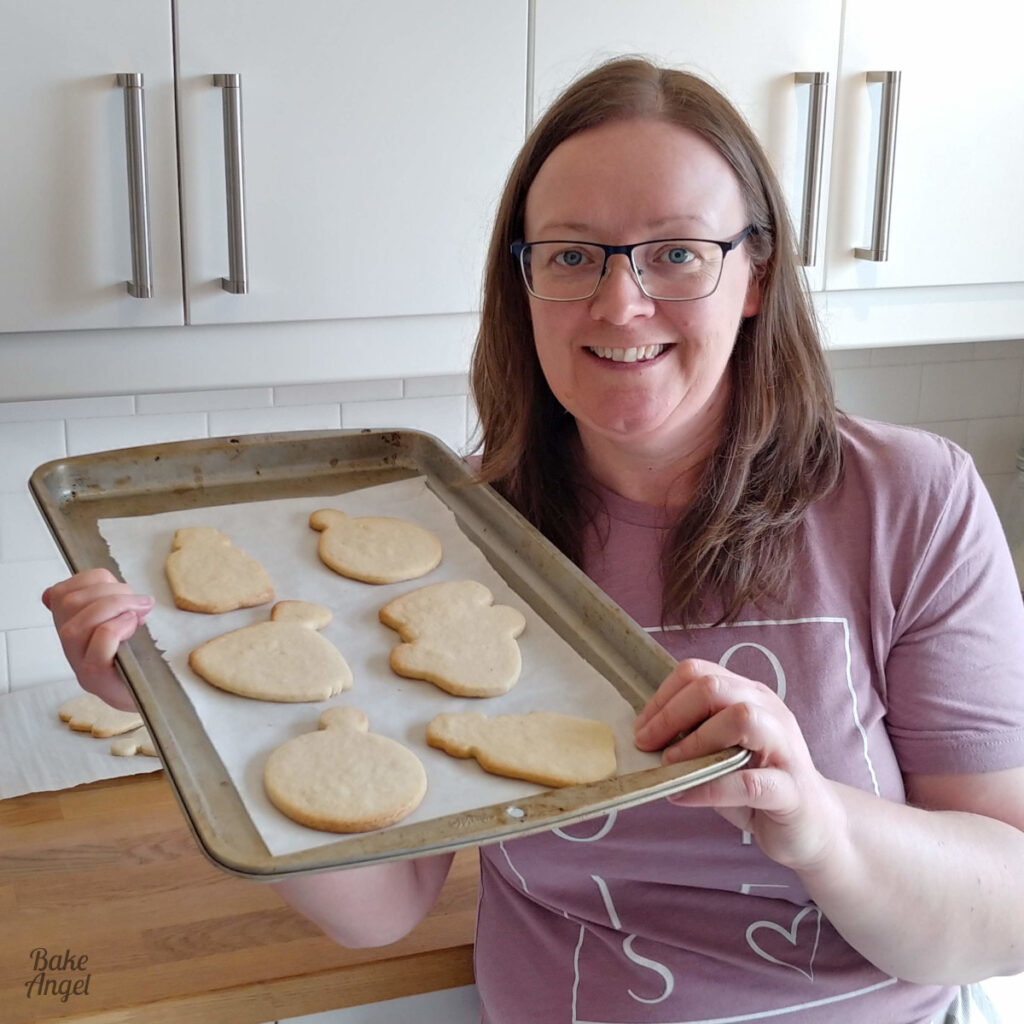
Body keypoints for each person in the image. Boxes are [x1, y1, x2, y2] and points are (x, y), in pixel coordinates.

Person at [42, 58, 1024, 1024]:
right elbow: (380, 909)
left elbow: (1006, 910)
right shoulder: (455, 539)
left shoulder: (910, 501)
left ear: (755, 274)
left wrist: (817, 826)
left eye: (676, 251)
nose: (618, 303)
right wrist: (183, 712)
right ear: (522, 281)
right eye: (569, 254)